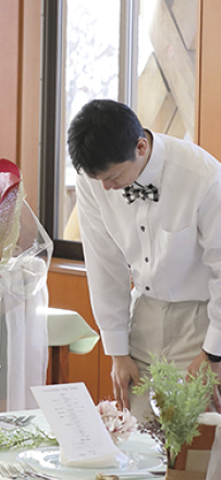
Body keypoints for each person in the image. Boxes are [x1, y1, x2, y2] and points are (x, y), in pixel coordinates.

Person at [68, 98, 221, 419]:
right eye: (99, 180)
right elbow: (104, 266)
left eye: (113, 176)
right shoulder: (94, 178)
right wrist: (117, 351)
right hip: (144, 317)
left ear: (140, 147)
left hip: (201, 320)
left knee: (193, 447)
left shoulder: (203, 177)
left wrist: (213, 354)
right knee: (136, 437)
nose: (107, 188)